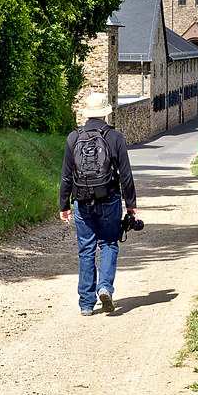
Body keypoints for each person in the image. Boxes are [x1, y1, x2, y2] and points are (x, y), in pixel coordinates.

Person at [60, 92, 138, 316]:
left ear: (87, 114)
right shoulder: (115, 137)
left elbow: (66, 175)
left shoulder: (73, 137)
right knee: (109, 244)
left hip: (81, 201)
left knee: (86, 250)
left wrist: (63, 205)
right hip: (109, 199)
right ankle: (104, 287)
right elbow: (126, 175)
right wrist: (130, 204)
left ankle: (86, 304)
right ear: (106, 112)